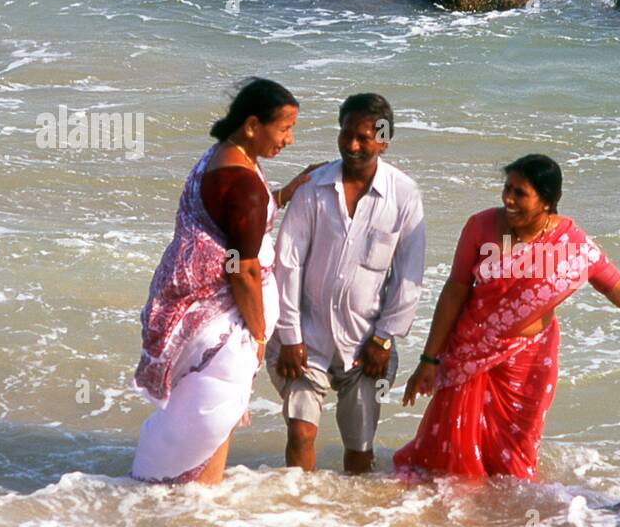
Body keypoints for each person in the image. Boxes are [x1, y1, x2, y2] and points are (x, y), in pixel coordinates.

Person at [393, 154, 620, 481]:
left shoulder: (572, 246)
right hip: (471, 353)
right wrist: (429, 359)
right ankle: (451, 518)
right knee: (453, 453)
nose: (508, 199)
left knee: (513, 459)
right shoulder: (480, 226)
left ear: (547, 201)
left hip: (529, 363)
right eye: (506, 188)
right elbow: (456, 290)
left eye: (520, 193)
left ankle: (505, 521)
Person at [132, 79, 316, 484]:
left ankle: (185, 507)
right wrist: (260, 334)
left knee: (200, 421)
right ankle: (198, 512)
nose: (289, 139)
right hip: (224, 328)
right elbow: (242, 268)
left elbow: (231, 217)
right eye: (284, 129)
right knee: (211, 427)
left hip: (196, 317)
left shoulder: (222, 157)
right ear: (252, 125)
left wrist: (284, 194)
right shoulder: (245, 186)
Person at [267, 93, 425, 475]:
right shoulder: (312, 188)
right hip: (307, 342)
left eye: (363, 138)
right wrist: (290, 337)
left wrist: (384, 338)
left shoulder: (404, 196)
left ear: (384, 140)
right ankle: (298, 515)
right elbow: (287, 263)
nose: (352, 145)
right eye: (345, 135)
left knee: (360, 450)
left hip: (365, 346)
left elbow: (409, 276)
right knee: (301, 434)